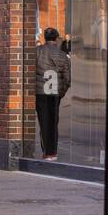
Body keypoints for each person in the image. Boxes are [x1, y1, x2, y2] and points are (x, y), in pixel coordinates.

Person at [35, 27, 71, 161]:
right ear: (56, 39)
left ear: (45, 38)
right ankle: (53, 152)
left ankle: (47, 152)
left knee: (43, 122)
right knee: (53, 122)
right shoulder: (62, 55)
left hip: (40, 93)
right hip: (55, 93)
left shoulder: (37, 52)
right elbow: (67, 79)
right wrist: (60, 93)